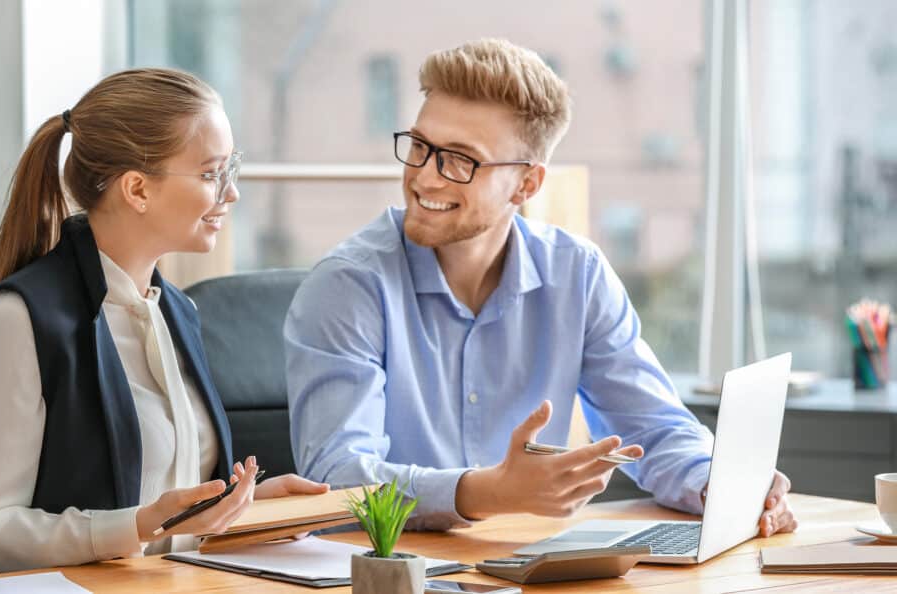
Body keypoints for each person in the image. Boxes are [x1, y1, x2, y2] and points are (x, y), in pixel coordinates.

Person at [285, 39, 797, 536]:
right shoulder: (348, 285)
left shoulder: (577, 274)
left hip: (522, 572)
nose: (424, 178)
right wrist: (485, 493)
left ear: (527, 184)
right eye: (420, 146)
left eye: (459, 160)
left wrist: (722, 485)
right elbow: (336, 479)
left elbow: (655, 429)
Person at [0, 68, 327, 579]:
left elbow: (167, 515)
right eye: (212, 173)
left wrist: (247, 508)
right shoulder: (19, 321)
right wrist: (138, 525)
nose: (230, 193)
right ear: (138, 189)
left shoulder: (176, 312)